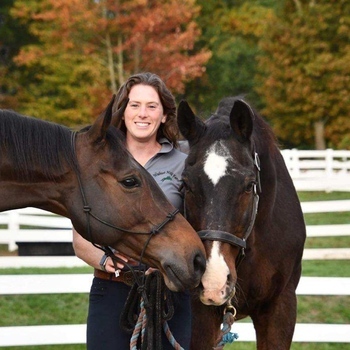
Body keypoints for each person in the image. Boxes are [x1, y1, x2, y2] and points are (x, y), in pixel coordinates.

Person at [72, 72, 191, 349]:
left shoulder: (184, 165)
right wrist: (105, 262)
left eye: (152, 106)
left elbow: (195, 230)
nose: (143, 113)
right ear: (123, 111)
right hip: (112, 289)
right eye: (134, 105)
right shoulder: (98, 161)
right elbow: (80, 238)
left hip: (169, 293)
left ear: (164, 115)